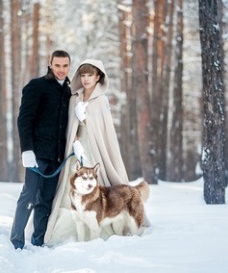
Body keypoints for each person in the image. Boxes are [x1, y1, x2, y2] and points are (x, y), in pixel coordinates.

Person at [44, 59, 148, 245]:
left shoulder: (101, 100)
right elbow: (68, 125)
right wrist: (75, 141)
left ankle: (107, 222)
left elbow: (104, 132)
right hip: (77, 150)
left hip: (95, 150)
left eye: (89, 75)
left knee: (101, 184)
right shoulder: (74, 97)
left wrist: (86, 118)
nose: (85, 79)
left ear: (98, 77)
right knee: (70, 189)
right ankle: (67, 233)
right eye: (82, 75)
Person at [10, 50, 72, 250]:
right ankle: (16, 241)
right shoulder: (37, 86)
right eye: (57, 65)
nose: (61, 70)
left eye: (65, 66)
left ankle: (38, 241)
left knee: (46, 199)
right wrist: (26, 150)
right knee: (29, 195)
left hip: (57, 156)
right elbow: (24, 119)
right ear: (50, 65)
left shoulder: (69, 92)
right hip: (36, 155)